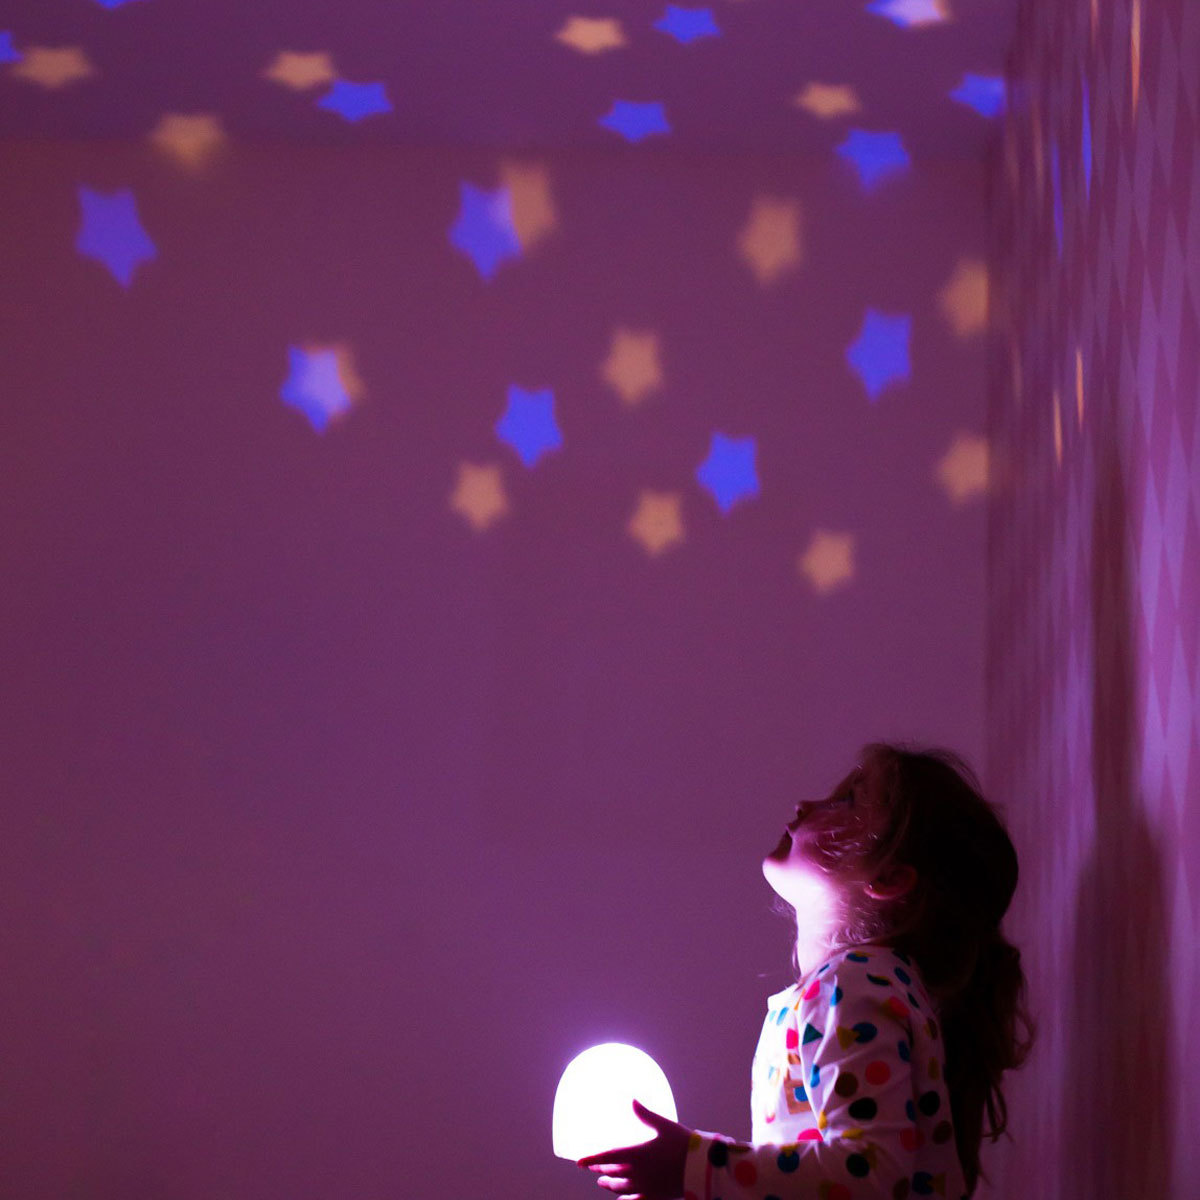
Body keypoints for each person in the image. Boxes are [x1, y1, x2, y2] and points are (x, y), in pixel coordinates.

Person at [577, 742, 1035, 1200]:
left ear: (889, 878)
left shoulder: (852, 987)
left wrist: (695, 1166)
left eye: (848, 800)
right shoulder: (867, 985)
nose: (804, 805)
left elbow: (868, 1176)